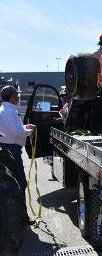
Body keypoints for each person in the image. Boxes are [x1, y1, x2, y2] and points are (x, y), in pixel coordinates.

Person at [0, 86, 36, 225]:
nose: (19, 97)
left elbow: (13, 130)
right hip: (12, 150)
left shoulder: (5, 109)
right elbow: (17, 132)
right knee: (20, 183)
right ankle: (22, 217)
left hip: (7, 148)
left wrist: (26, 127)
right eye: (17, 95)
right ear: (12, 97)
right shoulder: (9, 111)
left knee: (16, 183)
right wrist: (29, 132)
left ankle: (20, 217)